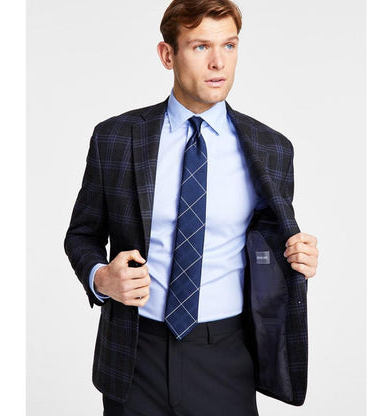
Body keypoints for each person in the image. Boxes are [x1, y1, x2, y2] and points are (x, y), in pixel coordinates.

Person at [64, 1, 319, 415]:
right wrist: (101, 278)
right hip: (135, 355)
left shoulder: (272, 149)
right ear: (168, 55)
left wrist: (297, 257)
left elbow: (269, 245)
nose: (219, 62)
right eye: (201, 47)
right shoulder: (116, 138)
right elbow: (81, 235)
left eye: (229, 45)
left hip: (225, 358)